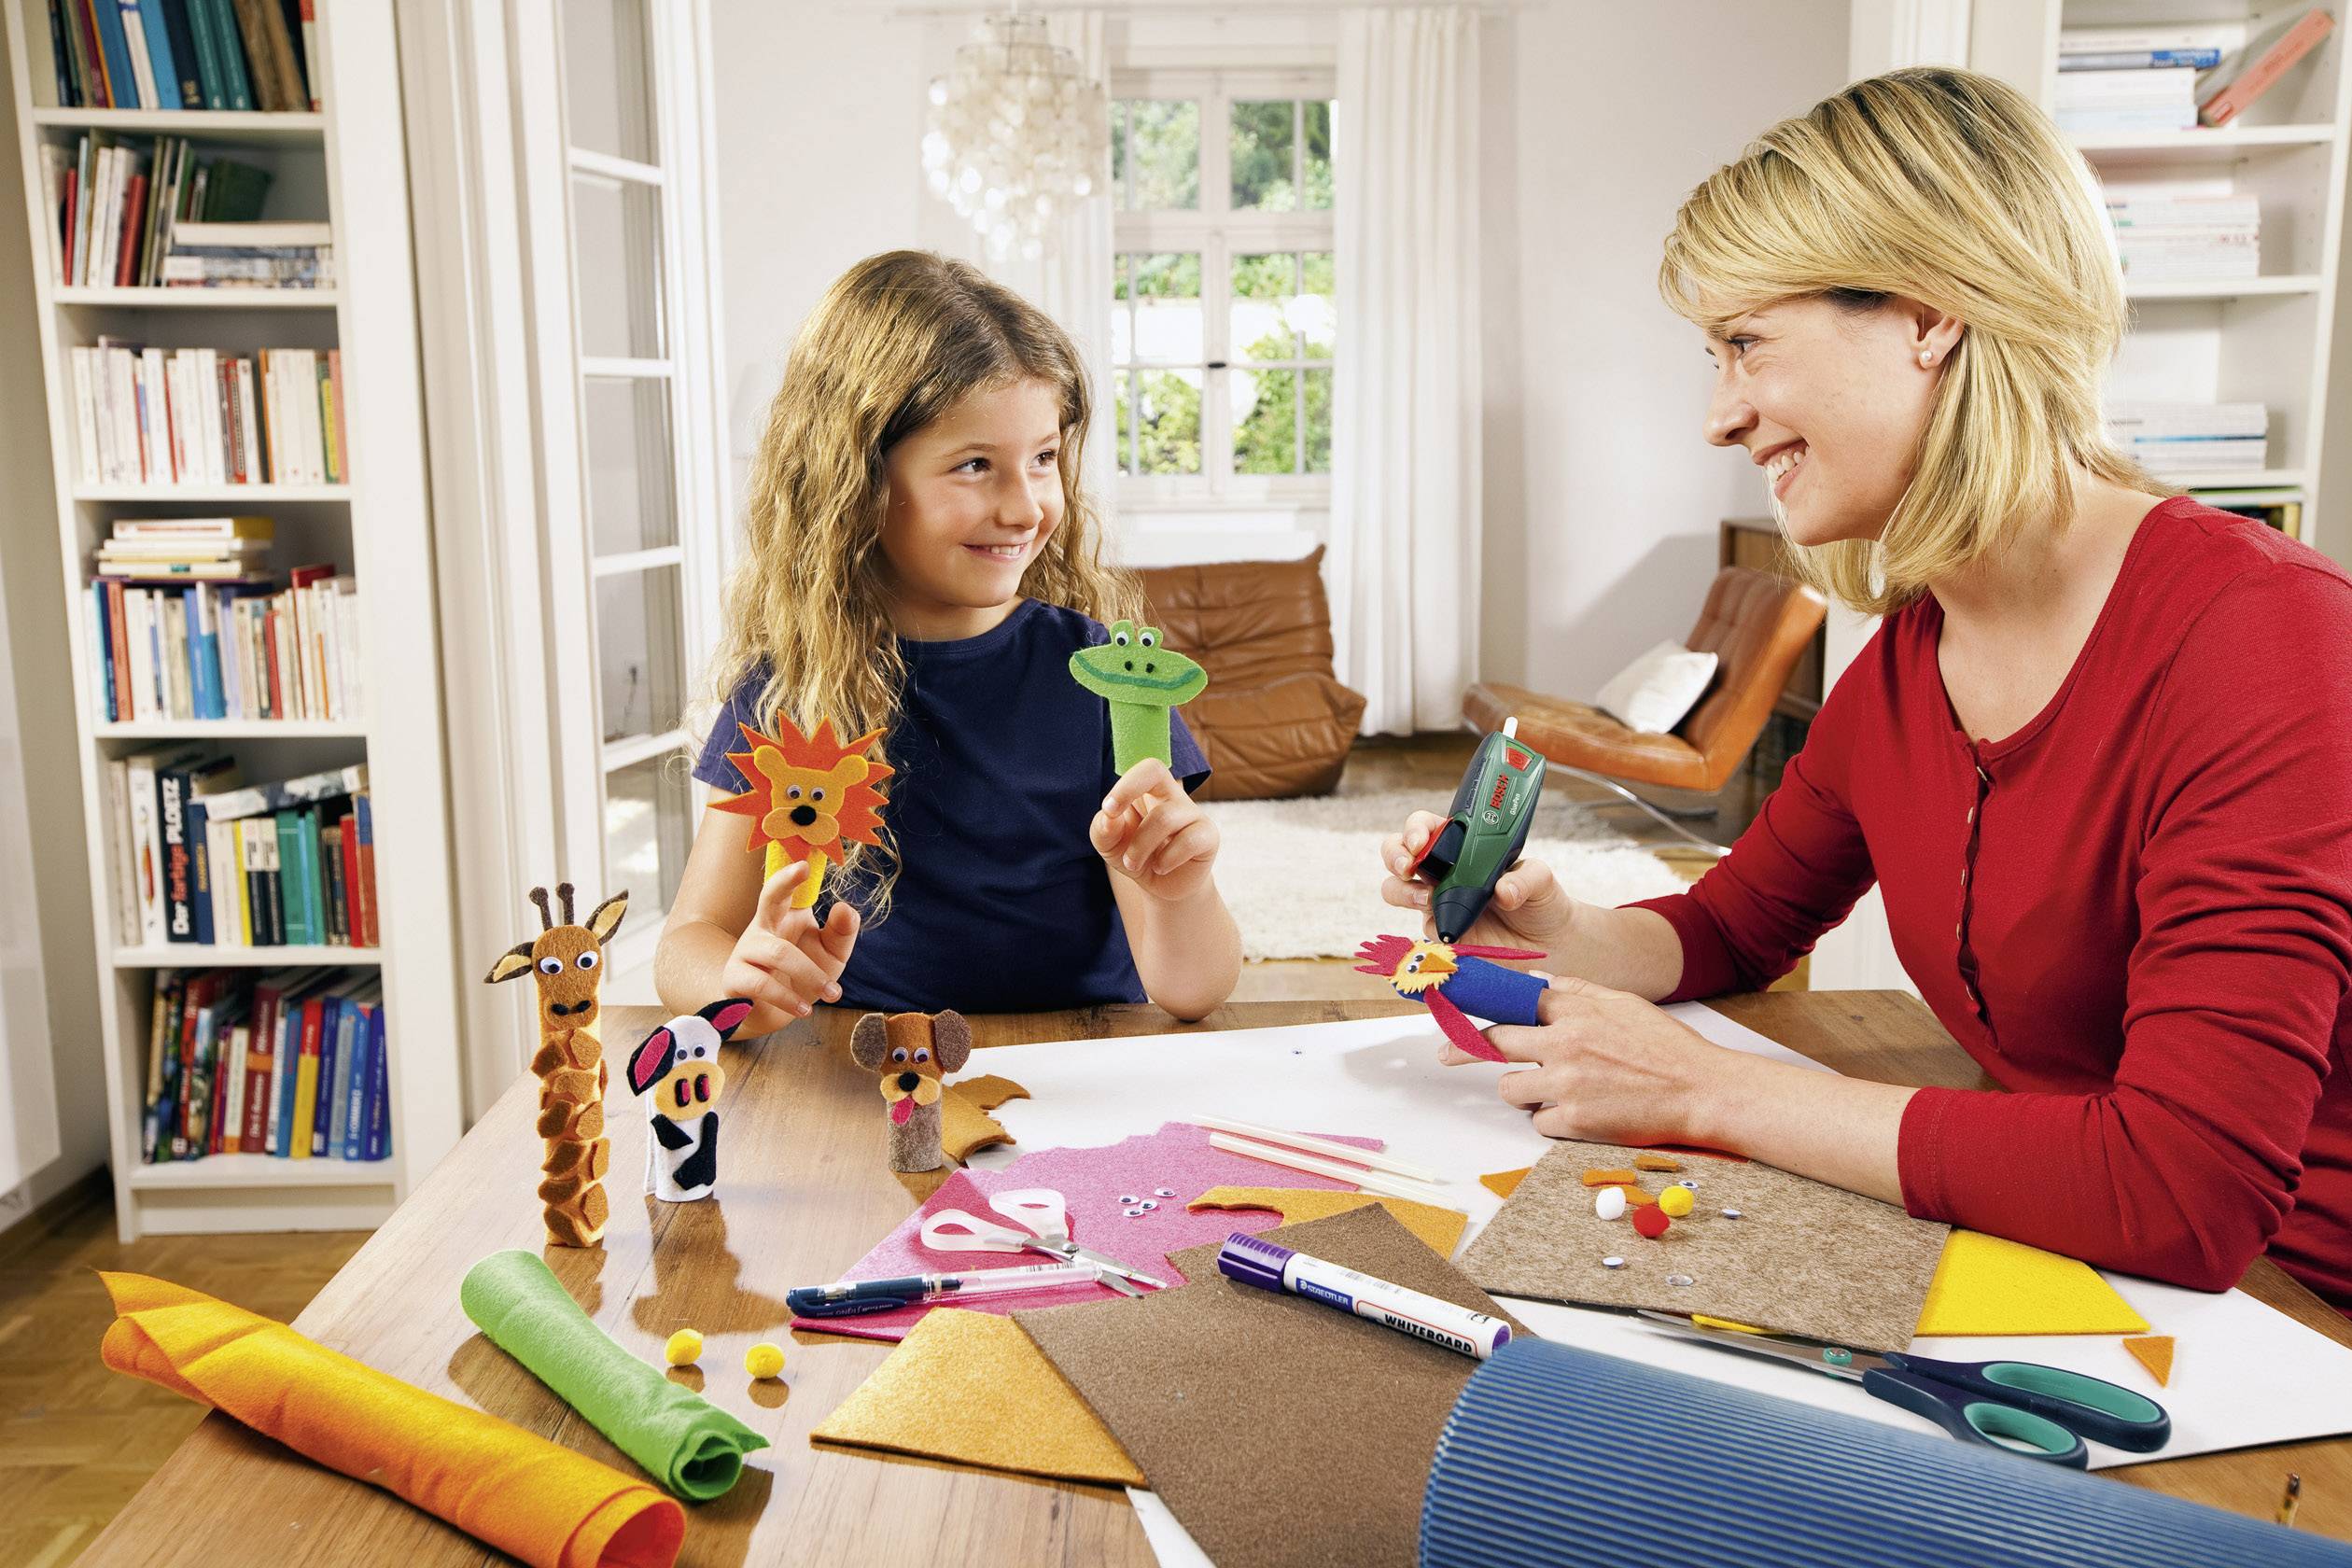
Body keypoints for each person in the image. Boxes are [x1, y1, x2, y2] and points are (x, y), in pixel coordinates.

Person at [1382, 68, 2352, 1307]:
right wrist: (1560, 932)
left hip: (2299, 1327)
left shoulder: (2263, 635)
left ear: (1929, 314)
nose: (1718, 419)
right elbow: (1734, 929)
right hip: (2067, 1267)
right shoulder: (1907, 659)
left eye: (1744, 344)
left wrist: (1709, 1089)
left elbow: (2183, 1186)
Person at [657, 251, 1240, 1035]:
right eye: (975, 466)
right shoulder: (786, 691)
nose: (1026, 506)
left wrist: (1184, 893)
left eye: (1042, 459)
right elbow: (687, 943)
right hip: (873, 1070)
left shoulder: (1111, 682)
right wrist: (739, 979)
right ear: (855, 481)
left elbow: (1193, 989)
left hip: (1086, 1064)